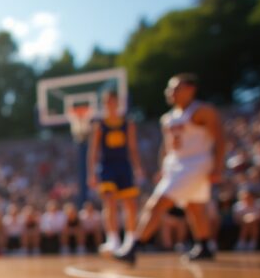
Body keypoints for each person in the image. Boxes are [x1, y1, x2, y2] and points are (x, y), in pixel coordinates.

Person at [116, 74, 225, 264]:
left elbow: (220, 140)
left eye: (175, 88)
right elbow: (166, 147)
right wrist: (163, 167)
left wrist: (217, 167)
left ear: (190, 89)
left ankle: (134, 245)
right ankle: (204, 245)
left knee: (157, 203)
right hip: (177, 165)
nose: (170, 92)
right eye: (169, 89)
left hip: (196, 164)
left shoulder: (203, 111)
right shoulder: (168, 118)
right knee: (194, 206)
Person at [88, 90, 143, 254]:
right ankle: (112, 239)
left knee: (130, 204)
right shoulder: (100, 125)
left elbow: (133, 148)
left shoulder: (128, 123)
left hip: (123, 165)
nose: (110, 104)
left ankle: (130, 239)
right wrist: (91, 173)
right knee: (109, 201)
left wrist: (138, 167)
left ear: (118, 103)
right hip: (107, 166)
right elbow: (93, 150)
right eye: (107, 102)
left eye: (113, 101)